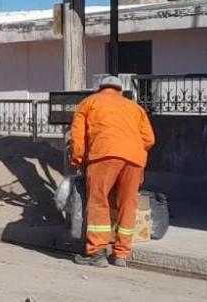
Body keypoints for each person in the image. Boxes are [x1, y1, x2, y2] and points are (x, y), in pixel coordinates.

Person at [69, 75, 155, 268]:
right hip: (134, 159)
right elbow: (149, 139)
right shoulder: (135, 108)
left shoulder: (89, 102)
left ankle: (97, 252)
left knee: (98, 202)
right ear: (121, 91)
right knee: (127, 204)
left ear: (100, 88)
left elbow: (78, 135)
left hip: (104, 155)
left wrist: (78, 159)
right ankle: (121, 254)